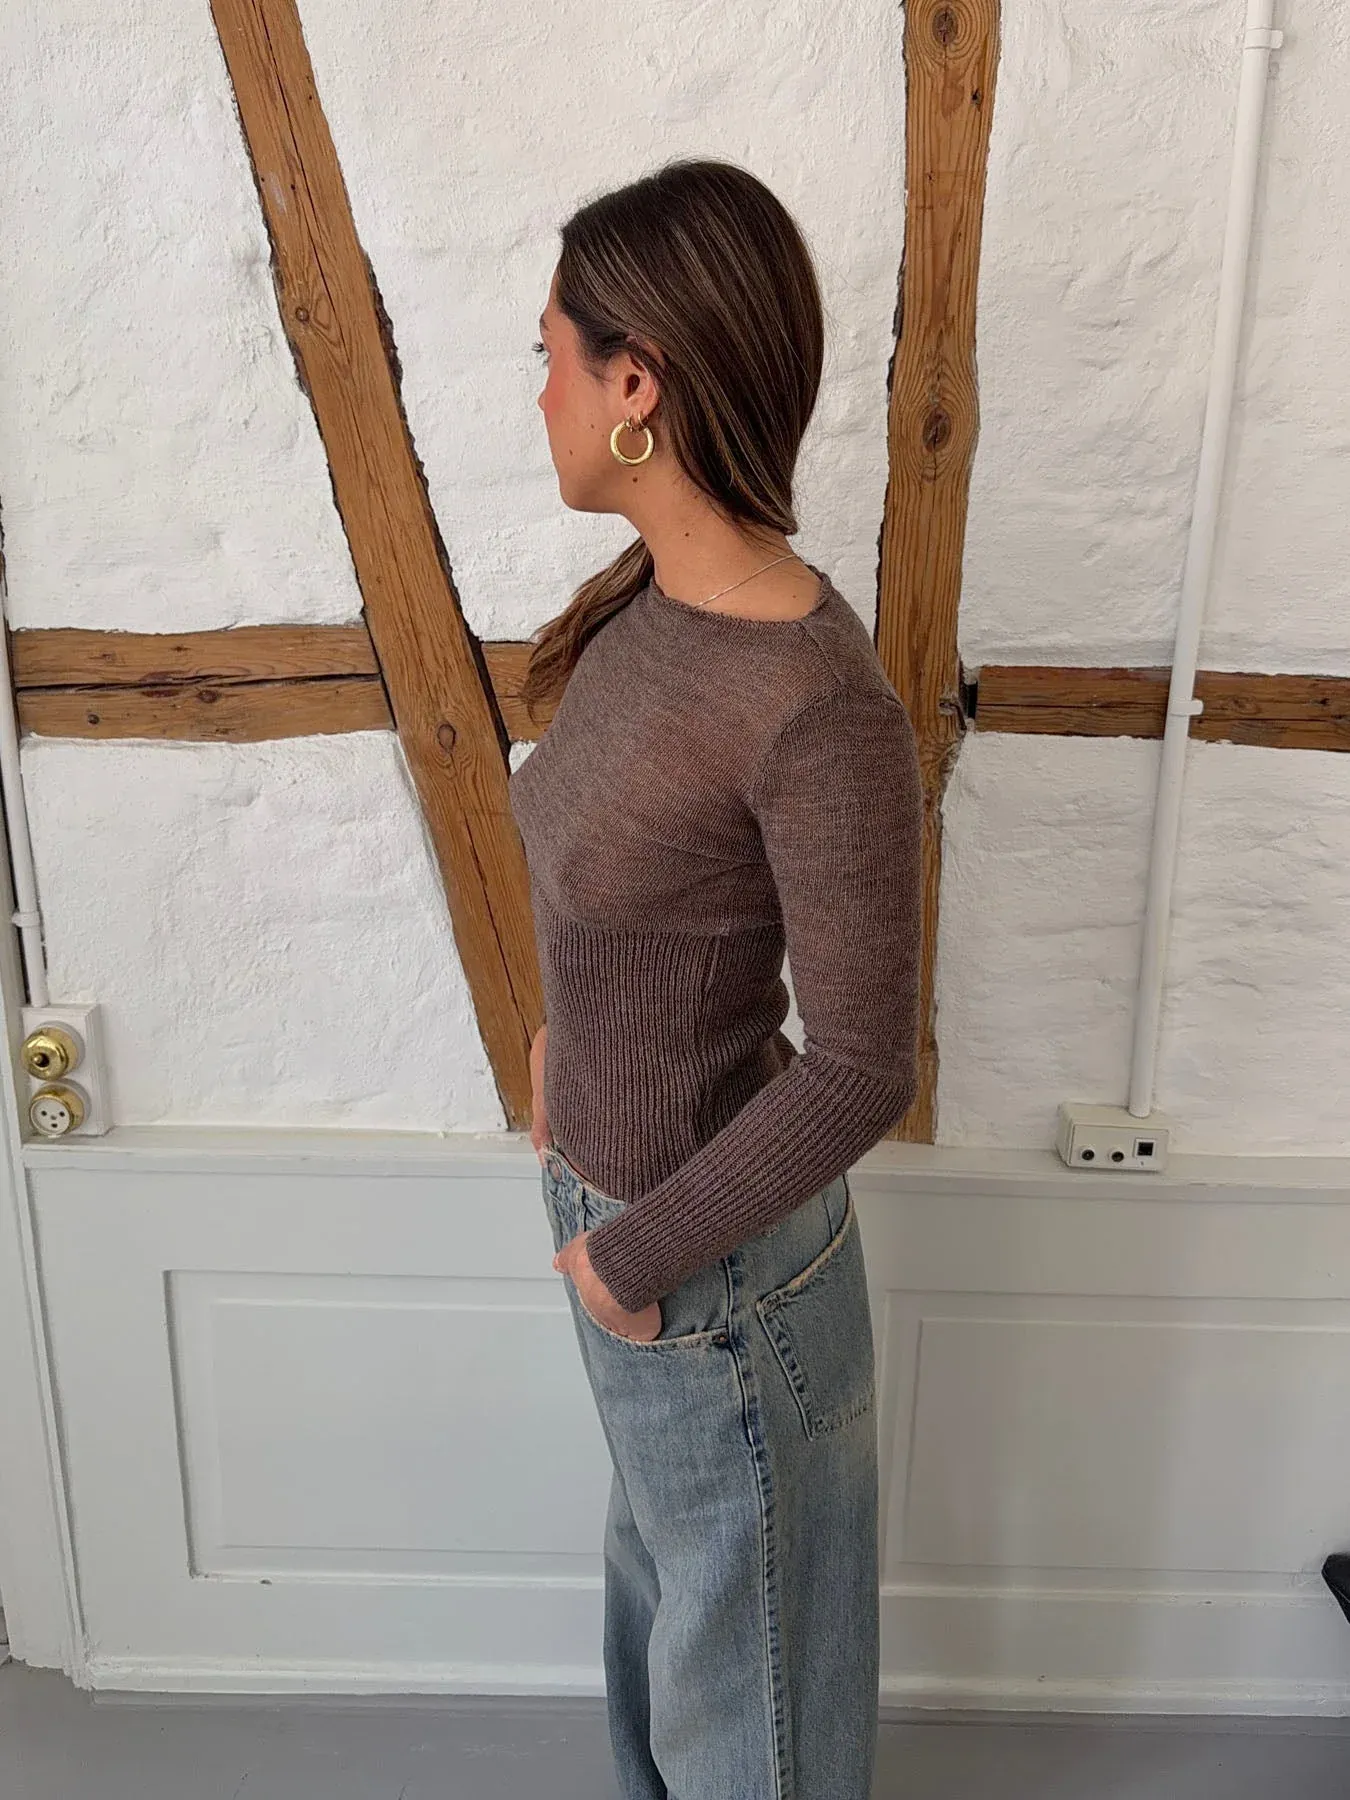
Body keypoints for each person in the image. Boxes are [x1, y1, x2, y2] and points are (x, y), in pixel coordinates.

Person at [507, 156, 923, 1800]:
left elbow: (865, 1063)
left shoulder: (809, 698)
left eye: (550, 355)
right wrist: (563, 1060)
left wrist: (632, 1255)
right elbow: (637, 895)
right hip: (628, 1236)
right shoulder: (649, 611)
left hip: (710, 1279)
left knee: (745, 1714)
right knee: (671, 1645)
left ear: (637, 385)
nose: (537, 392)